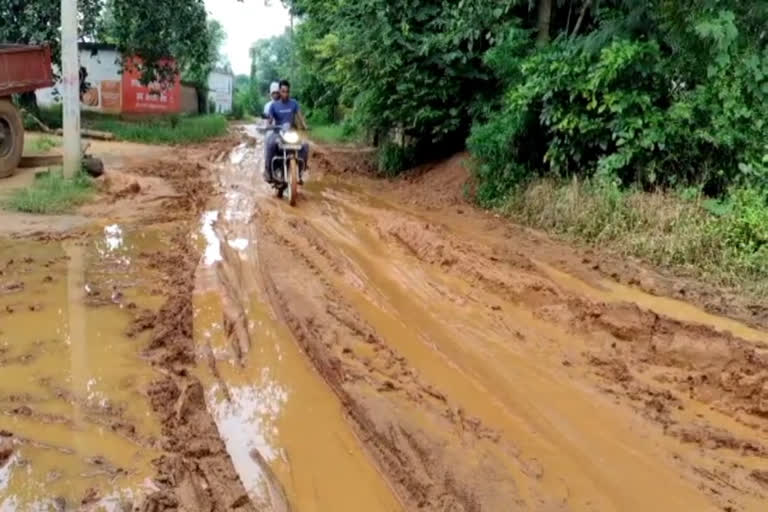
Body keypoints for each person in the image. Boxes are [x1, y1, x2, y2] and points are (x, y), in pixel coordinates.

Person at [264, 79, 309, 183]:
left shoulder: (294, 103)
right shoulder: (274, 105)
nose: (285, 94)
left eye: (287, 91)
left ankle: (300, 172)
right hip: (278, 133)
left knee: (305, 145)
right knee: (270, 143)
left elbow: (300, 116)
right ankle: (269, 173)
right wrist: (268, 125)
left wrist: (305, 126)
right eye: (283, 91)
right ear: (279, 91)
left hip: (291, 132)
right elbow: (270, 120)